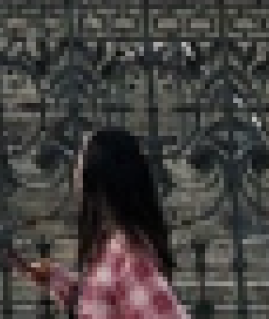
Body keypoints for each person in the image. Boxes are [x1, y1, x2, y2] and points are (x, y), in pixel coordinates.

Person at [14, 125, 188, 317]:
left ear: (99, 174)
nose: (75, 171)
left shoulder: (130, 255)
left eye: (81, 159)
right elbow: (106, 301)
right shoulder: (111, 245)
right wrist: (56, 279)